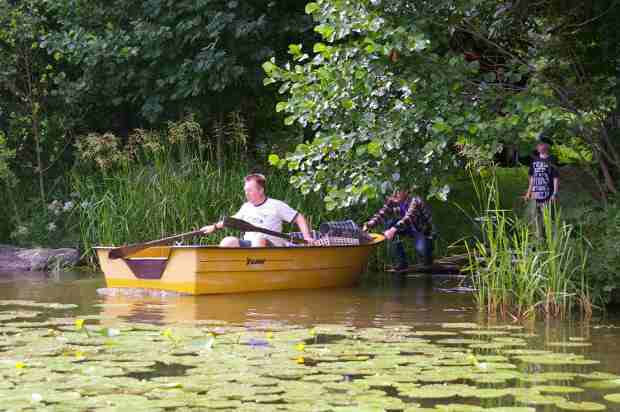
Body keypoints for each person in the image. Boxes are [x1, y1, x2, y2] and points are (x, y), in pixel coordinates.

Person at [201, 173, 314, 247]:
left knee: (259, 239)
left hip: (272, 248)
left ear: (260, 190)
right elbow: (231, 221)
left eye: (250, 190)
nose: (246, 193)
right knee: (228, 241)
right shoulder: (246, 207)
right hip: (249, 245)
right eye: (245, 190)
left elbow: (299, 217)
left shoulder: (276, 205)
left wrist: (307, 237)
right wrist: (214, 227)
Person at [363, 189, 433, 270]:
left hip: (421, 229)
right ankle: (401, 262)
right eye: (394, 191)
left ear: (406, 191)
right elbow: (382, 214)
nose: (395, 193)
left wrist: (393, 230)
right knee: (389, 224)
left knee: (422, 250)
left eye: (398, 191)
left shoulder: (415, 200)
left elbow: (409, 217)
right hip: (406, 227)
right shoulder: (393, 200)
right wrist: (369, 224)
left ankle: (428, 255)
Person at [524, 143, 559, 236]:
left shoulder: (552, 160)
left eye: (542, 144)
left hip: (547, 195)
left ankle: (551, 240)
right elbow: (532, 178)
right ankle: (539, 240)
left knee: (548, 219)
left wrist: (555, 193)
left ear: (547, 147)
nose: (540, 146)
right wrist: (528, 193)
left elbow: (555, 178)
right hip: (535, 196)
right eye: (539, 145)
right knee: (536, 220)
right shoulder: (534, 161)